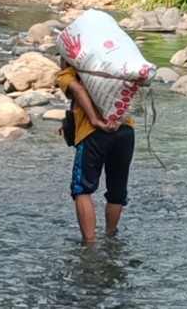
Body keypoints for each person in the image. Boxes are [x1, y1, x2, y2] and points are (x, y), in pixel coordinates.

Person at [56, 57, 135, 244]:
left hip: (94, 133)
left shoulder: (72, 68)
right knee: (117, 191)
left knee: (82, 189)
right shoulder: (118, 62)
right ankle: (110, 237)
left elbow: (78, 89)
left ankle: (89, 245)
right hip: (124, 130)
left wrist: (94, 119)